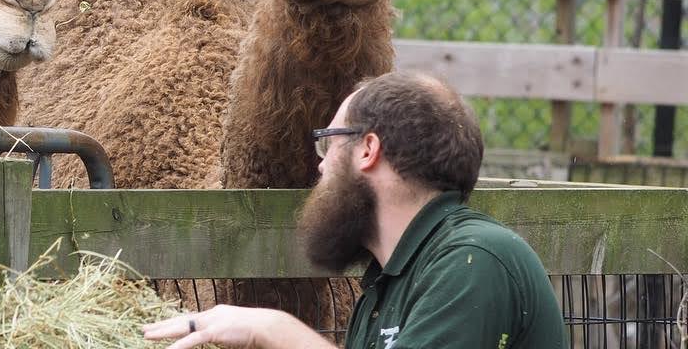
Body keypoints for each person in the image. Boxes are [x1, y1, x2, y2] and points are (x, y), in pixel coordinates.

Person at [144, 71, 566, 349]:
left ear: (368, 149)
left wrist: (270, 328)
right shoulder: (386, 285)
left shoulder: (474, 261)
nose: (321, 163)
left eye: (330, 141)